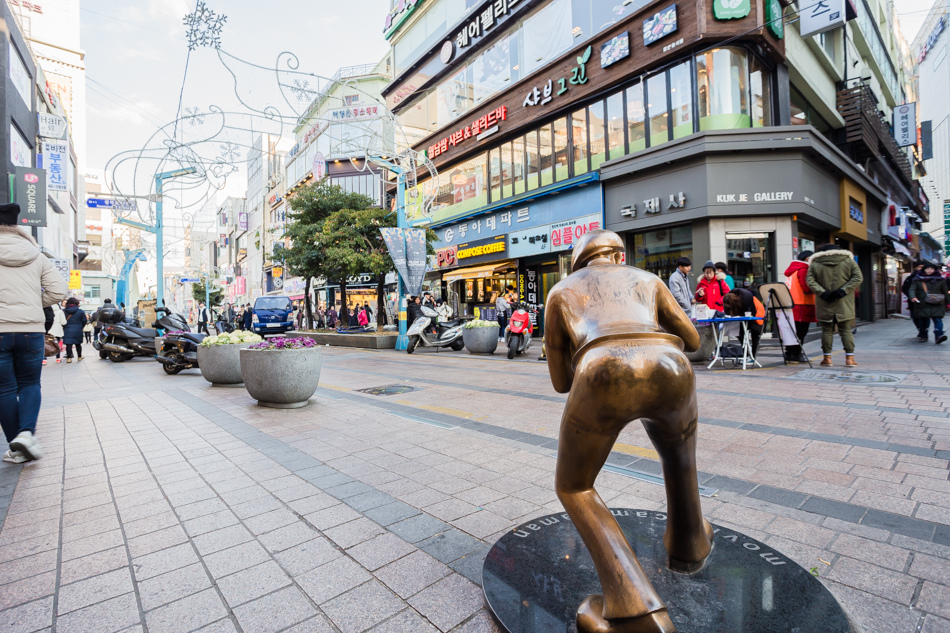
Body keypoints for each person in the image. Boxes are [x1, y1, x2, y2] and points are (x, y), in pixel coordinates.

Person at [544, 230, 710, 632]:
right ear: (618, 256)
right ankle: (689, 543)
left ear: (579, 262)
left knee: (574, 486)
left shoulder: (561, 291)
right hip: (671, 364)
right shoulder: (647, 280)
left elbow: (561, 382)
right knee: (678, 455)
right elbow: (691, 339)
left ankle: (634, 607)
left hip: (602, 367)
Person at [0, 203, 68, 463]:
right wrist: (31, 303)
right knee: (30, 384)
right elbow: (59, 291)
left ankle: (16, 448)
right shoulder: (36, 255)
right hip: (30, 331)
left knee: (4, 390)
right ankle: (26, 433)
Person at [806, 244, 863, 367]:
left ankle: (827, 359)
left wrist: (823, 293)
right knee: (846, 330)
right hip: (844, 302)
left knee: (827, 331)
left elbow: (810, 281)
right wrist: (843, 290)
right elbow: (858, 278)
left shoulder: (815, 264)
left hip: (824, 302)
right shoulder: (849, 261)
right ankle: (849, 359)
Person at [783, 251, 816, 362]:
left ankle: (789, 353)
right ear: (807, 259)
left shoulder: (793, 270)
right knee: (801, 331)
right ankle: (797, 354)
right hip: (802, 304)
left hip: (791, 304)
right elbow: (807, 288)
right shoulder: (803, 270)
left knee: (792, 330)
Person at [909, 262, 949, 344]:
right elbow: (912, 289)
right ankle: (923, 336)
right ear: (924, 270)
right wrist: (913, 296)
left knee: (938, 319)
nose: (929, 271)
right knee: (923, 320)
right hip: (922, 303)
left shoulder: (940, 280)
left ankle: (939, 335)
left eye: (931, 269)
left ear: (935, 270)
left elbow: (945, 291)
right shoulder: (917, 280)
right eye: (927, 269)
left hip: (937, 303)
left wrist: (948, 302)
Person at [722, 288, 766, 357]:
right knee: (739, 333)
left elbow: (752, 313)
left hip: (756, 312)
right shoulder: (728, 298)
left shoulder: (746, 298)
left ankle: (752, 356)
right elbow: (727, 312)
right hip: (743, 312)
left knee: (755, 334)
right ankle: (745, 353)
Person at [903, 262, 927, 338]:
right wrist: (911, 296)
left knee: (925, 318)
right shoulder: (910, 278)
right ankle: (920, 329)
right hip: (913, 302)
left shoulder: (930, 277)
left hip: (926, 302)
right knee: (915, 317)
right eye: (920, 267)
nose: (921, 269)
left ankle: (924, 332)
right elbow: (904, 288)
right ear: (916, 268)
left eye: (923, 267)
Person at [62, 298, 88, 362]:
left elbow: (62, 321)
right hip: (78, 330)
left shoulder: (64, 311)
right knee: (78, 344)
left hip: (67, 329)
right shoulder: (80, 311)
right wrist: (80, 326)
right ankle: (79, 356)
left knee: (68, 344)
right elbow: (84, 321)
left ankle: (69, 358)